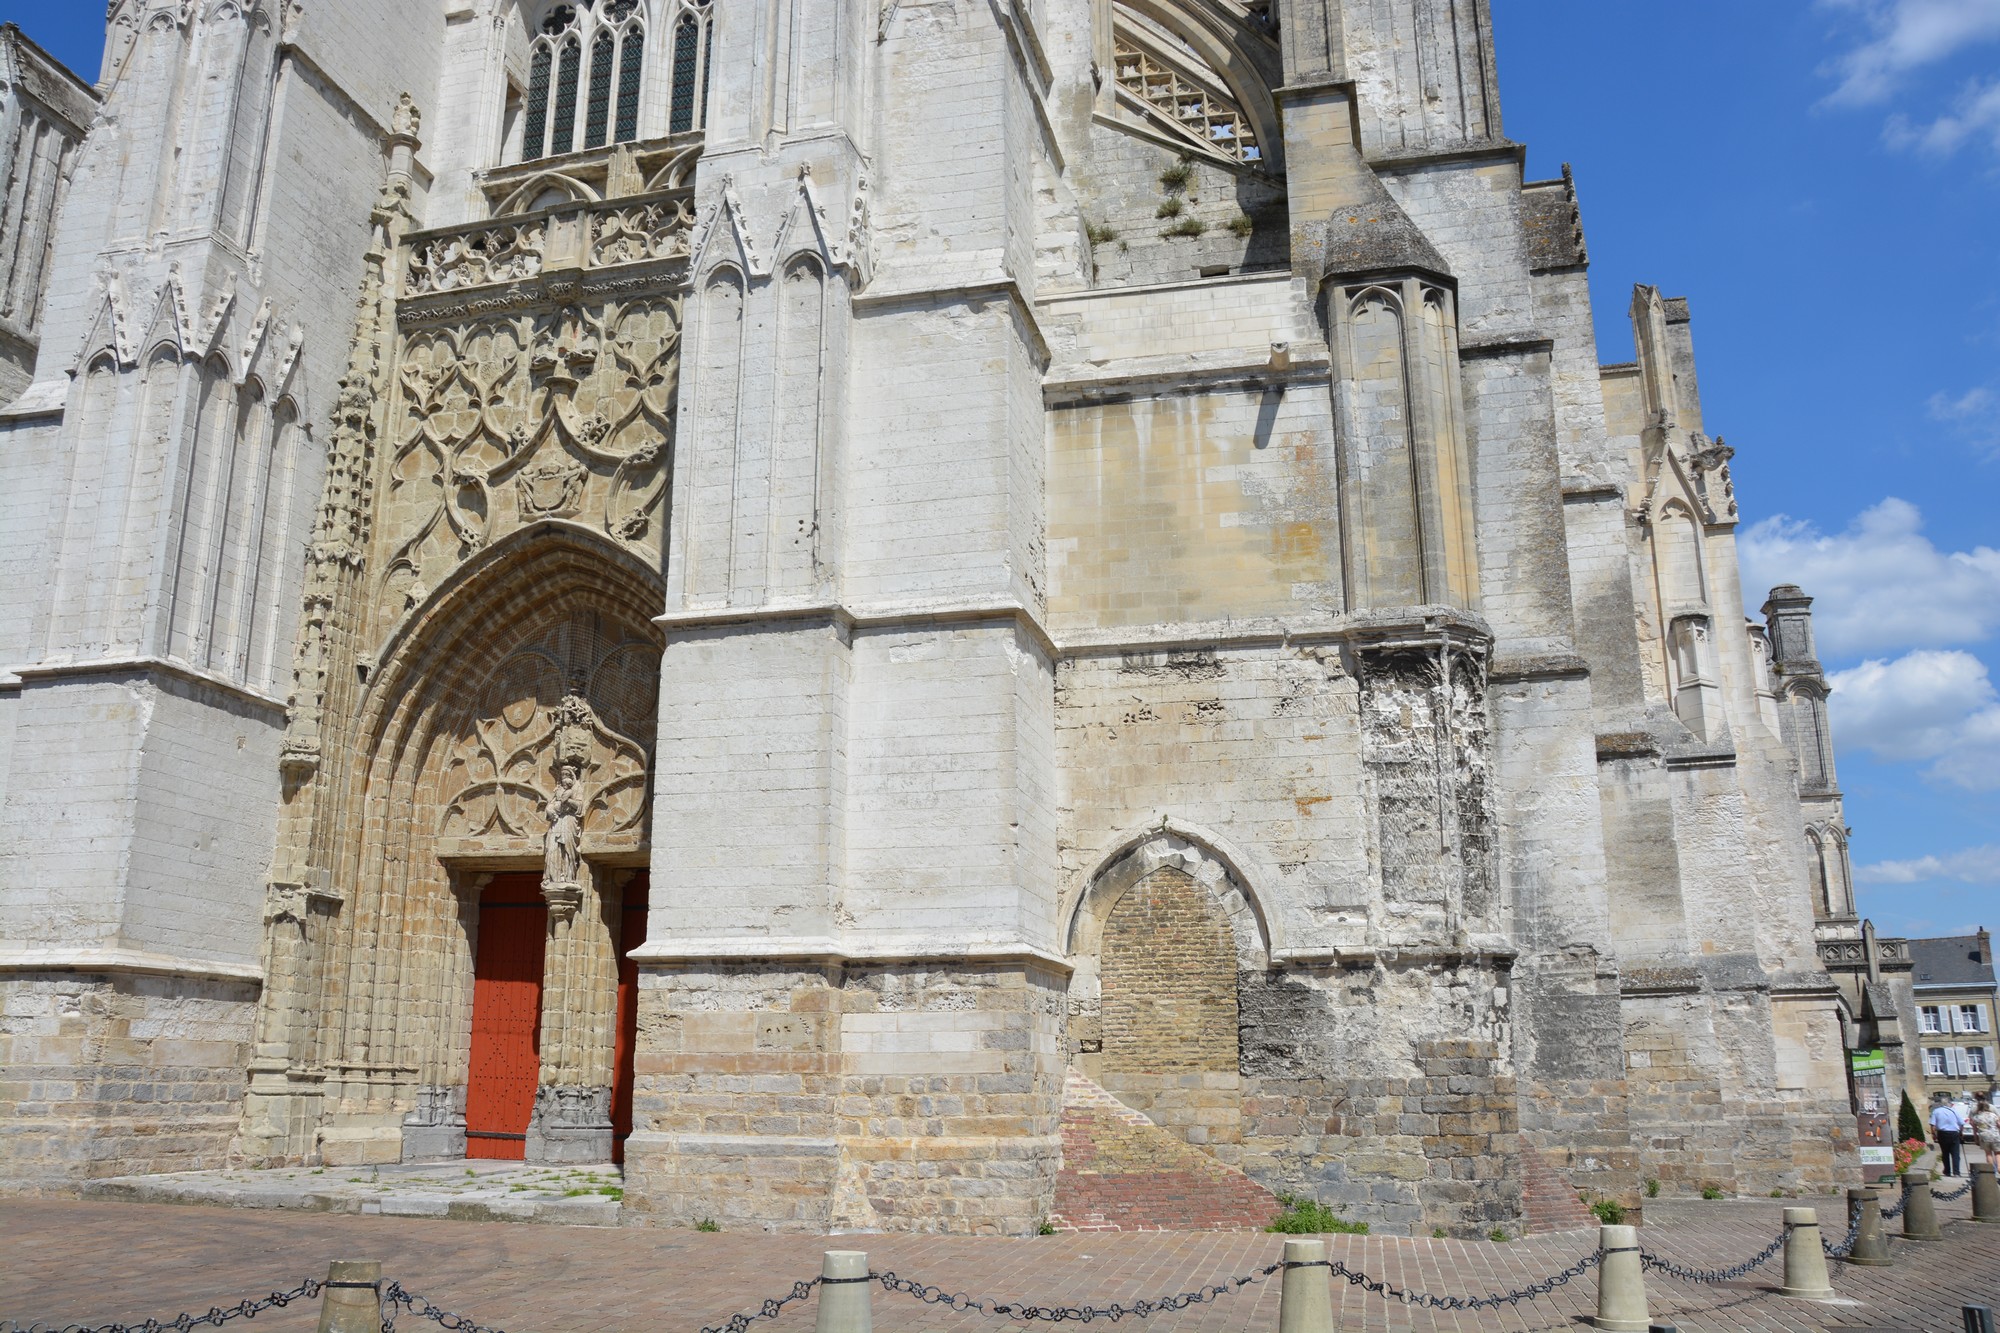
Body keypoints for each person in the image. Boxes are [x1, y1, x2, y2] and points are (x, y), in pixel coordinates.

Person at [1931, 1095, 1967, 1177]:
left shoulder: (1936, 1111)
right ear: (1949, 1104)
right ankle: (1956, 1172)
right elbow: (1961, 1123)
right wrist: (1961, 1132)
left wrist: (1934, 1134)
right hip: (1954, 1132)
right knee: (1955, 1153)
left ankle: (1947, 1171)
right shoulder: (1953, 1111)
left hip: (1942, 1133)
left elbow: (1932, 1124)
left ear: (1940, 1104)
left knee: (1945, 1153)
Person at [1973, 1097, 2000, 1166]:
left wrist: (1976, 1139)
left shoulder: (1977, 1117)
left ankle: (1992, 1170)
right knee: (1997, 1153)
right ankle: (1999, 1168)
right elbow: (1999, 1125)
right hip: (1995, 1135)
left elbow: (1975, 1129)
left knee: (1988, 1154)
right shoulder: (1994, 1115)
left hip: (1984, 1136)